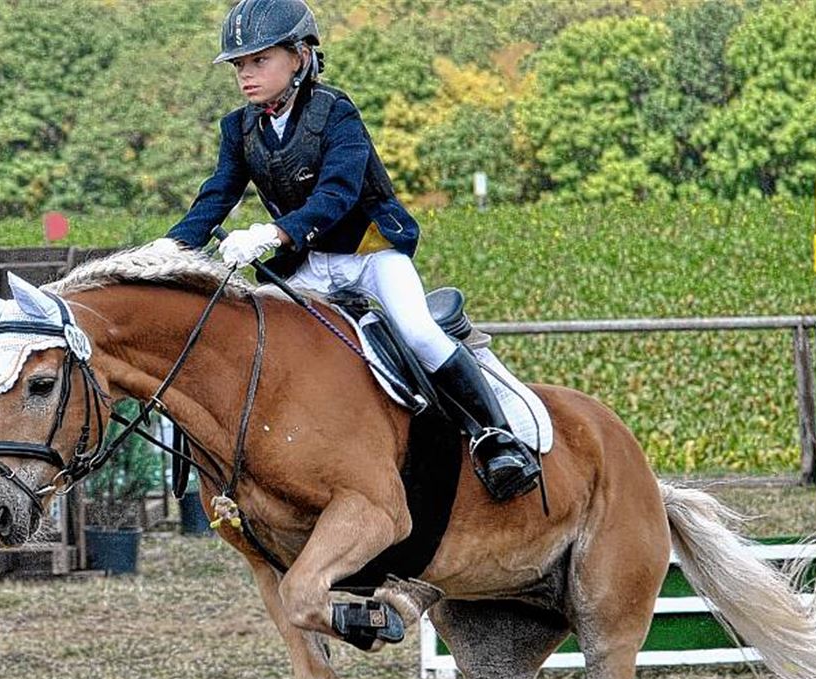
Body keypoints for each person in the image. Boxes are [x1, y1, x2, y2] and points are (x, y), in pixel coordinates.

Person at [166, 0, 539, 502]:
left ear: (298, 57)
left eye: (259, 61)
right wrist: (167, 250)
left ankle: (497, 439)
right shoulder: (239, 129)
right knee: (260, 345)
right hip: (306, 266)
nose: (246, 75)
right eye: (239, 65)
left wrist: (271, 235)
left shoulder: (336, 112)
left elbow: (337, 195)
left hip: (370, 251)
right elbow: (217, 194)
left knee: (416, 330)